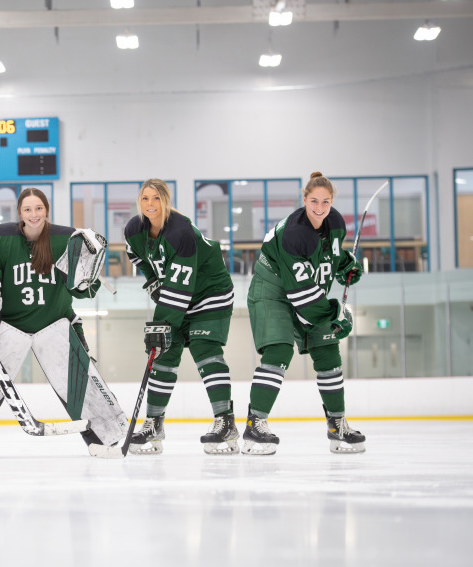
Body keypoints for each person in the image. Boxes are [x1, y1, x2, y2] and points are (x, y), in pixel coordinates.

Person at [0, 188, 128, 455]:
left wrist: (88, 272)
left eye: (39, 209)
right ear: (20, 212)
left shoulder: (66, 239)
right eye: (28, 209)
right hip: (8, 327)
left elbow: (81, 291)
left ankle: (111, 437)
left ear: (46, 210)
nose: (34, 215)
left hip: (54, 324)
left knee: (82, 382)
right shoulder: (0, 238)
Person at [243, 171, 366, 455]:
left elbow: (329, 254)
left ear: (332, 201)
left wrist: (346, 265)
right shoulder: (294, 233)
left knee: (328, 350)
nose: (320, 207)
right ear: (304, 199)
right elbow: (304, 296)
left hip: (305, 290)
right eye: (314, 201)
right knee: (279, 350)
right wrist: (335, 314)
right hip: (272, 291)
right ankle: (255, 424)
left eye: (326, 201)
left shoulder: (335, 222)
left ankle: (338, 426)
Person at [124, 178, 239, 455]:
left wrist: (160, 324)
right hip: (179, 294)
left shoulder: (180, 232)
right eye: (145, 198)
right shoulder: (133, 229)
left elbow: (180, 288)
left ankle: (225, 422)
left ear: (166, 201)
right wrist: (154, 283)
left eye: (156, 198)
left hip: (210, 293)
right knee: (164, 354)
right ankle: (154, 425)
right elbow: (137, 258)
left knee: (205, 350)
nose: (150, 204)